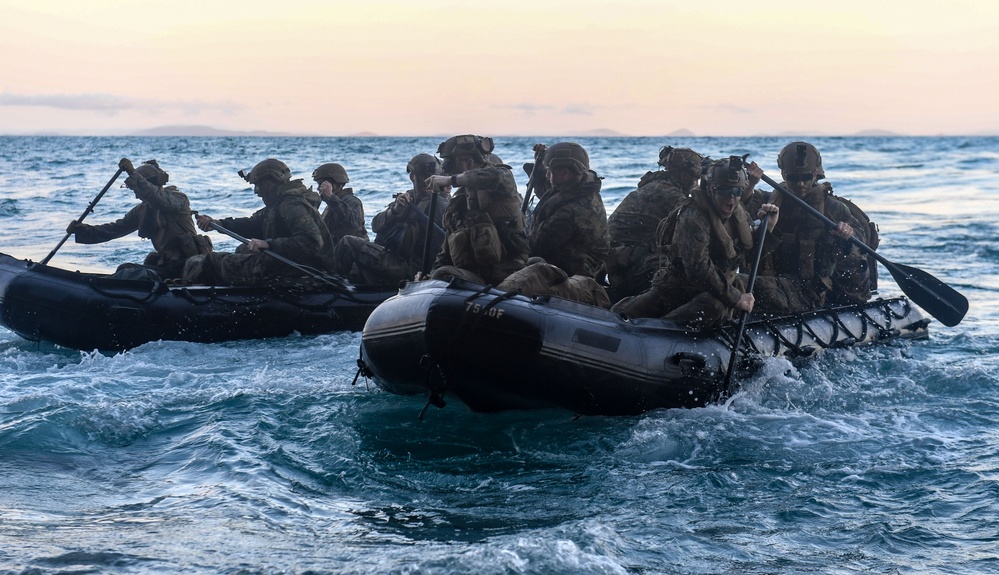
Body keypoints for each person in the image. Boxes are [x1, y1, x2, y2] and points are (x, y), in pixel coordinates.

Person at [611, 156, 779, 331]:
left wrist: (768, 229)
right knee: (620, 313)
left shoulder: (738, 215)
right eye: (723, 191)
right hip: (675, 290)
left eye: (736, 192)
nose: (731, 199)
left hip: (716, 293)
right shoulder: (693, 217)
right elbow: (698, 268)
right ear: (710, 189)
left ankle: (660, 331)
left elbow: (748, 258)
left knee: (715, 307)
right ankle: (655, 332)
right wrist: (737, 298)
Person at [749, 141, 872, 315]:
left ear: (815, 175)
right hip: (778, 282)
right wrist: (750, 184)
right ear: (784, 174)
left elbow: (861, 239)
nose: (800, 184)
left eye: (806, 177)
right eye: (793, 177)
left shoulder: (832, 208)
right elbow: (738, 207)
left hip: (810, 291)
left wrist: (848, 234)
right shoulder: (768, 201)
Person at [183, 158, 335, 285]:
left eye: (258, 185)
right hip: (287, 263)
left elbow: (312, 242)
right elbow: (253, 223)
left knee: (209, 261)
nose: (256, 191)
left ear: (270, 183)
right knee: (242, 249)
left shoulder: (292, 206)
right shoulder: (279, 204)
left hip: (298, 270)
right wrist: (219, 224)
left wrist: (269, 244)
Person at [496, 142, 610, 307]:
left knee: (518, 266)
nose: (547, 175)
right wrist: (539, 164)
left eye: (550, 171)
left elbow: (534, 245)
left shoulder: (574, 211)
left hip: (572, 277)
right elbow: (547, 196)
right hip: (562, 266)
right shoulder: (577, 187)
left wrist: (507, 233)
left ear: (564, 172)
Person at [67, 158, 212, 280]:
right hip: (166, 267)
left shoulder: (178, 199)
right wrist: (83, 230)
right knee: (125, 269)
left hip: (189, 265)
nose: (136, 195)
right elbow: (114, 229)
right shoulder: (142, 210)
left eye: (137, 189)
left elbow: (158, 198)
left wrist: (132, 173)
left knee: (130, 274)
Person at [425, 134, 529, 285]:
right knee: (441, 274)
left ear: (468, 163)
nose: (448, 169)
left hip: (509, 273)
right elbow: (445, 254)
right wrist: (429, 278)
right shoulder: (458, 203)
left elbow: (493, 176)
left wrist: (451, 180)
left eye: (452, 163)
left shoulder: (502, 181)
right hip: (475, 277)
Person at [333, 154, 449, 284]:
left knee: (348, 243)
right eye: (425, 179)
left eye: (432, 179)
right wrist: (394, 211)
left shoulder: (439, 206)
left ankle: (330, 288)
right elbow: (376, 225)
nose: (428, 183)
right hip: (396, 258)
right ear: (412, 177)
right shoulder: (408, 200)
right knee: (353, 269)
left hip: (410, 269)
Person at [605, 146, 702, 299]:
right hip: (634, 271)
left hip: (619, 268)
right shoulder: (669, 194)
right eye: (695, 178)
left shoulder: (654, 186)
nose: (696, 183)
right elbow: (698, 223)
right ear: (684, 175)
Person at [312, 163, 368, 246]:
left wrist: (331, 197)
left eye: (322, 184)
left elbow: (354, 223)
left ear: (336, 183)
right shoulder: (332, 204)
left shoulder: (351, 201)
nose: (319, 188)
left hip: (351, 253)